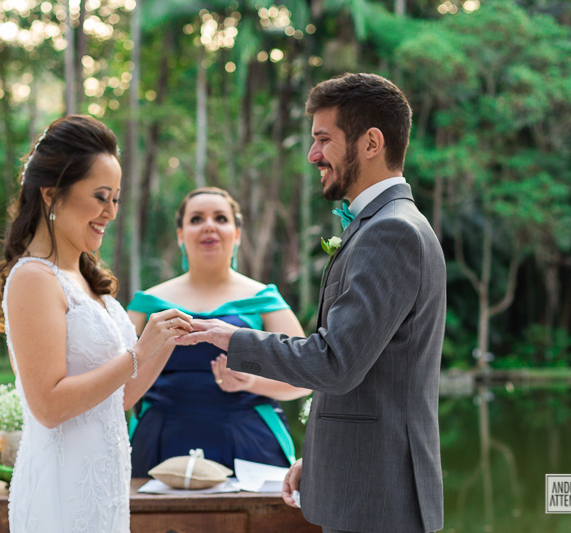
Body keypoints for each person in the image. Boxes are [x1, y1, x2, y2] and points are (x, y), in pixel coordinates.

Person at [176, 74, 446, 533]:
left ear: (371, 143)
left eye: (323, 139)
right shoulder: (384, 224)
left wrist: (232, 337)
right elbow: (368, 374)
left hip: (378, 501)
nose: (312, 154)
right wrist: (320, 461)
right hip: (363, 484)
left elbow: (335, 362)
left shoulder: (391, 231)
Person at [0, 115, 193, 532]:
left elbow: (117, 399)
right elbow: (47, 406)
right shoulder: (33, 278)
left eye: (116, 198)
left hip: (103, 490)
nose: (110, 212)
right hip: (60, 492)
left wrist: (163, 343)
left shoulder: (86, 279)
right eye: (101, 196)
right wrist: (139, 350)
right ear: (52, 195)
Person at [126, 187, 310, 476]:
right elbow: (115, 380)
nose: (209, 225)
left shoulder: (265, 300)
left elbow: (305, 377)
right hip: (158, 443)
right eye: (197, 219)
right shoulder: (146, 304)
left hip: (252, 445)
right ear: (180, 235)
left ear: (236, 234)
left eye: (221, 218)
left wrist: (250, 382)